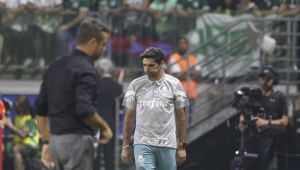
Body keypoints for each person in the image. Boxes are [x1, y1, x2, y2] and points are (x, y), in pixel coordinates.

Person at [34, 18, 113, 170]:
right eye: (103, 44)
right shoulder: (87, 70)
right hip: (77, 142)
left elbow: (40, 109)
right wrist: (104, 128)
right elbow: (84, 110)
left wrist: (46, 142)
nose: (103, 49)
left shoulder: (55, 65)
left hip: (55, 142)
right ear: (92, 42)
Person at [121, 47, 188, 169]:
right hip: (143, 143)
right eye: (144, 65)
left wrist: (181, 146)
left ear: (161, 63)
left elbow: (181, 118)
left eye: (151, 65)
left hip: (167, 144)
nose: (147, 69)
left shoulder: (175, 84)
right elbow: (129, 118)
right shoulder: (135, 85)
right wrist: (125, 146)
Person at [238, 66, 288, 170]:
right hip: (251, 143)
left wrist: (267, 122)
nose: (264, 82)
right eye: (262, 79)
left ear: (274, 80)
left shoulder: (279, 98)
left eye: (267, 79)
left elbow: (285, 121)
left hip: (268, 144)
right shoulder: (253, 96)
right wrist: (241, 120)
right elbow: (243, 118)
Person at [93, 58, 123, 170]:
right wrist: (117, 123)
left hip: (96, 123)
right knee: (109, 155)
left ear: (101, 70)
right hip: (111, 124)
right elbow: (119, 109)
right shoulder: (118, 87)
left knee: (95, 154)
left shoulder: (95, 85)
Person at [168, 37, 200, 124]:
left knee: (188, 120)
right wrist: (190, 71)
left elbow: (198, 72)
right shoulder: (174, 58)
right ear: (177, 46)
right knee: (179, 121)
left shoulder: (192, 58)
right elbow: (177, 74)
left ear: (187, 45)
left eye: (184, 43)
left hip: (191, 94)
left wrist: (184, 73)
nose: (182, 45)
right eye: (180, 43)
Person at [5, 95, 39, 170]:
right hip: (17, 142)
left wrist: (11, 126)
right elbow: (14, 132)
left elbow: (23, 134)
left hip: (29, 145)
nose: (18, 108)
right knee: (3, 148)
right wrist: (6, 124)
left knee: (16, 149)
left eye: (19, 106)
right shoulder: (17, 117)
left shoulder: (31, 119)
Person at [27, 0, 64, 66]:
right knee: (30, 36)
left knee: (48, 43)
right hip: (36, 23)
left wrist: (48, 11)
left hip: (50, 24)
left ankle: (47, 61)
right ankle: (34, 58)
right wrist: (37, 8)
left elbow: (60, 7)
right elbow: (29, 6)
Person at [0, 0, 28, 79]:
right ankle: (10, 57)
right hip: (8, 25)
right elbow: (1, 4)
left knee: (19, 50)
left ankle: (18, 72)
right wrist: (9, 9)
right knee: (10, 40)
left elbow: (23, 6)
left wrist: (13, 13)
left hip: (20, 27)